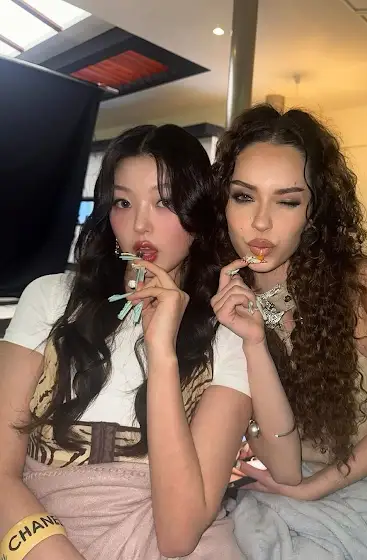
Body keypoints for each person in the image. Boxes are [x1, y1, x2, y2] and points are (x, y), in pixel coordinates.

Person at [0, 124, 252, 560]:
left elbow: (178, 536)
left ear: (198, 216)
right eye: (123, 202)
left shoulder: (229, 332)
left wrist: (162, 353)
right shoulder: (50, 298)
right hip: (42, 531)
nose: (139, 224)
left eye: (164, 202)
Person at [211, 105, 367, 559]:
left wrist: (315, 487)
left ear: (314, 211)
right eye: (244, 196)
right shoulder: (224, 303)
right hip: (288, 481)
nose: (260, 222)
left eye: (287, 201)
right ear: (222, 203)